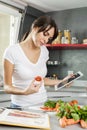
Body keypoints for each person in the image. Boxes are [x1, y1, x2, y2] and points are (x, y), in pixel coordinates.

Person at [3, 15, 71, 109]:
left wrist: (61, 81)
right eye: (45, 34)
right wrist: (25, 92)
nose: (46, 40)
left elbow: (41, 80)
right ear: (35, 28)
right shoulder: (12, 51)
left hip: (42, 105)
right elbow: (7, 87)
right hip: (20, 106)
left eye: (49, 38)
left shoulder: (44, 51)